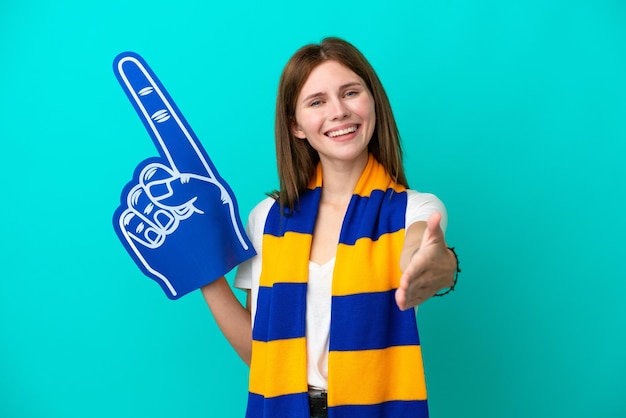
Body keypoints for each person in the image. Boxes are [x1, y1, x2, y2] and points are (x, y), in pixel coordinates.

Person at [201, 37, 460, 418]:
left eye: (350, 92)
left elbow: (423, 249)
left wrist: (436, 264)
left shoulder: (412, 209)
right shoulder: (268, 219)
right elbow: (261, 353)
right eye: (317, 101)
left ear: (373, 102)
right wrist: (202, 270)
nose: (338, 111)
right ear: (296, 126)